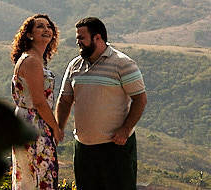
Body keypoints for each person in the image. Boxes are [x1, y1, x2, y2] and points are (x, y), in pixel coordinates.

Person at [54, 17, 147, 190]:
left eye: (81, 38)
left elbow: (140, 99)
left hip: (116, 147)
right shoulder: (75, 65)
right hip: (84, 148)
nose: (78, 42)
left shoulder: (123, 63)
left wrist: (126, 129)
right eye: (77, 38)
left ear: (97, 37)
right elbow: (65, 99)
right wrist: (59, 127)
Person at [10, 13, 63, 189]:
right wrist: (55, 127)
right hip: (35, 123)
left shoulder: (36, 59)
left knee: (31, 177)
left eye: (49, 26)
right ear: (30, 34)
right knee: (39, 175)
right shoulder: (32, 61)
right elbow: (39, 102)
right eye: (40, 26)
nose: (46, 29)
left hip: (28, 121)